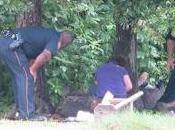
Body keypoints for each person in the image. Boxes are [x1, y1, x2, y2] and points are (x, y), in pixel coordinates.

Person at [0, 26, 74, 121]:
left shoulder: (50, 34)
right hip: (12, 45)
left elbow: (33, 54)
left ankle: (20, 112)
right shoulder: (55, 40)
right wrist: (33, 70)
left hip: (6, 41)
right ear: (65, 44)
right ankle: (27, 114)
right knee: (26, 78)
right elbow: (46, 54)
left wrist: (31, 68)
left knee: (19, 78)